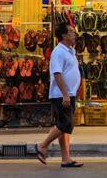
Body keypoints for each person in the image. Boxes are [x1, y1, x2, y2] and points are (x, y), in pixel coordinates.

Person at [36, 22, 83, 168]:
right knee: (65, 124)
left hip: (69, 93)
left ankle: (65, 158)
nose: (74, 34)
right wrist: (65, 95)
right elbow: (57, 74)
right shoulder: (58, 52)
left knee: (64, 127)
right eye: (71, 31)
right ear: (63, 35)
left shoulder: (70, 51)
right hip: (61, 95)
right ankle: (42, 145)